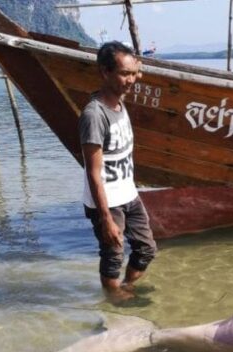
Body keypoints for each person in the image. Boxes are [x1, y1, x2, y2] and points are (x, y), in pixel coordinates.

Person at [78, 41, 157, 302]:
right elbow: (93, 172)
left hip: (128, 194)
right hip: (107, 201)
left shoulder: (119, 102)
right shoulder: (94, 115)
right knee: (113, 254)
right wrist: (106, 219)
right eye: (124, 74)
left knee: (146, 250)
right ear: (105, 72)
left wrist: (135, 66)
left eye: (134, 73)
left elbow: (137, 72)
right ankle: (112, 299)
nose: (131, 80)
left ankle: (123, 287)